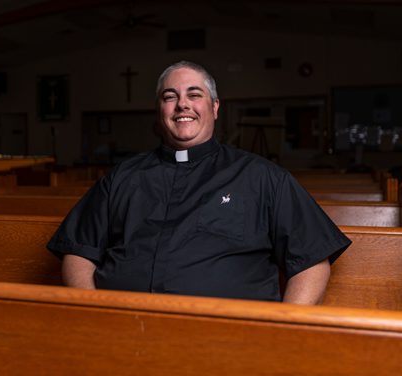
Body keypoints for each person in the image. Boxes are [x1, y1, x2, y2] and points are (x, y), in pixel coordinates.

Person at [47, 60, 351, 304]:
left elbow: (312, 261)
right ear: (160, 110)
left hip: (227, 339)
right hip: (122, 330)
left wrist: (282, 329)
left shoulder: (263, 177)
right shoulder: (122, 177)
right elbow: (78, 251)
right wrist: (89, 312)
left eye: (194, 95)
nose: (182, 105)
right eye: (170, 97)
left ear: (215, 108)